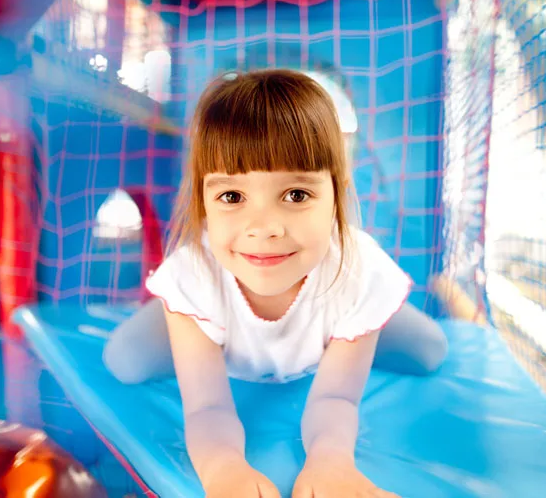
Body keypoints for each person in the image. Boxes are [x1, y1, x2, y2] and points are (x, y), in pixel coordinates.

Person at [104, 69, 448, 498]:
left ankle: (374, 318)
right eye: (232, 197)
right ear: (205, 202)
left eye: (296, 195)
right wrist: (224, 471)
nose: (264, 228)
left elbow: (335, 401)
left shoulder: (358, 270)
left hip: (334, 290)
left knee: (430, 350)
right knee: (126, 359)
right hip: (211, 300)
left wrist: (331, 464)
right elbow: (207, 406)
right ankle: (173, 310)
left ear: (336, 195)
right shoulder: (198, 274)